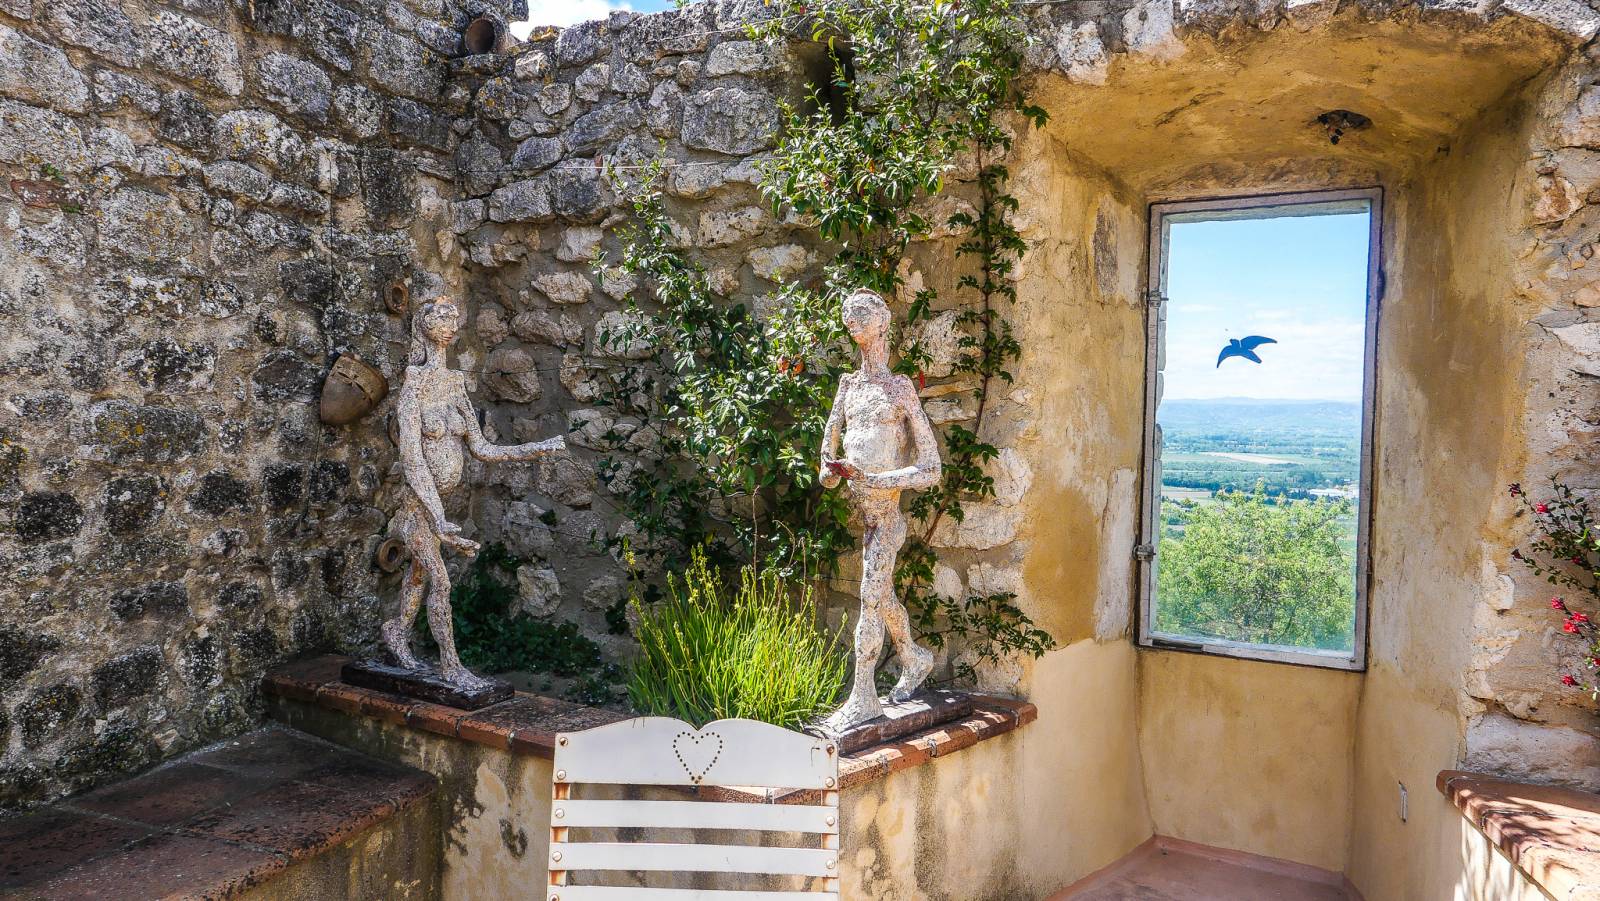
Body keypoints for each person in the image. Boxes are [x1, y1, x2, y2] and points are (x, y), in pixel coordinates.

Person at [381, 299, 565, 689]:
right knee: (440, 580)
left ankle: (396, 630)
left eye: (453, 319)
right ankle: (451, 665)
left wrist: (539, 448)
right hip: (418, 507)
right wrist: (437, 515)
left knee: (417, 575)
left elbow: (482, 448)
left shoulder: (453, 384)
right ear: (423, 326)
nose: (449, 327)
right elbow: (412, 461)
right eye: (440, 319)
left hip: (438, 510)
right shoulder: (413, 384)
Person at [818, 288, 942, 733]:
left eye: (861, 315)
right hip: (863, 513)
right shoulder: (848, 386)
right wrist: (830, 472)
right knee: (882, 592)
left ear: (883, 323)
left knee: (870, 597)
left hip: (887, 517)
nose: (852, 322)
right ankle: (914, 657)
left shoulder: (899, 389)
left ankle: (863, 696)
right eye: (848, 317)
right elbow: (829, 440)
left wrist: (878, 480)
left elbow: (930, 469)